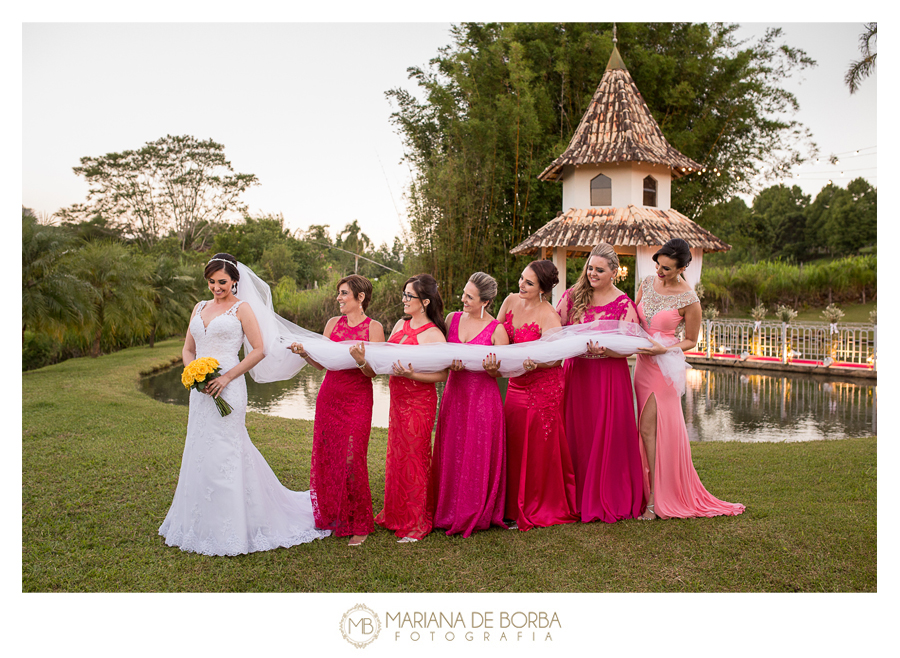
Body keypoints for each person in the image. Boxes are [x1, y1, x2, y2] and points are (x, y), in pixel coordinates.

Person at [159, 254, 330, 555]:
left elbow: (260, 349)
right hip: (200, 390)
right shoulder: (199, 308)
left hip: (229, 384)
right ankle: (200, 521)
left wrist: (225, 378)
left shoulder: (242, 308)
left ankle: (235, 524)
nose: (216, 287)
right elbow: (188, 348)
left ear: (235, 280)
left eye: (222, 282)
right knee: (200, 447)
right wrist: (192, 373)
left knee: (227, 446)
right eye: (211, 282)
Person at [633, 238, 745, 520]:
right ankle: (639, 492)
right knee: (640, 430)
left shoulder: (689, 299)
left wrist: (664, 348)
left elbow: (691, 340)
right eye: (658, 265)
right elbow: (632, 320)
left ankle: (656, 501)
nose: (660, 271)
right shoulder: (646, 283)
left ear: (682, 267)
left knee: (650, 431)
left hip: (663, 368)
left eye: (667, 269)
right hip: (641, 366)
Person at [289, 275, 385, 546]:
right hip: (329, 396)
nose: (339, 298)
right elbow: (321, 364)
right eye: (339, 294)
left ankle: (360, 524)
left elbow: (373, 373)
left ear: (360, 298)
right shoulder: (332, 324)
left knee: (354, 459)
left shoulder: (374, 328)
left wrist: (361, 360)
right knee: (328, 455)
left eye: (344, 294)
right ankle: (332, 515)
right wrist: (305, 354)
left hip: (357, 398)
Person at [556, 243, 646, 523]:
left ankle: (609, 495)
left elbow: (632, 346)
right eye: (590, 268)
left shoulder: (623, 304)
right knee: (578, 433)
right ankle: (575, 497)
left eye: (599, 269)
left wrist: (607, 351)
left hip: (609, 376)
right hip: (578, 372)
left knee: (608, 433)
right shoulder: (572, 296)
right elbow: (555, 329)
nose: (592, 273)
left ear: (614, 272)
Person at [496, 261, 578, 531]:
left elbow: (555, 360)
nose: (521, 284)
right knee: (515, 440)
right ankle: (507, 505)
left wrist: (536, 363)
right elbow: (494, 333)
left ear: (543, 288)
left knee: (538, 446)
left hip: (542, 386)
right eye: (521, 278)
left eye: (529, 283)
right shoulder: (509, 301)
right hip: (516, 384)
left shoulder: (549, 316)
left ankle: (537, 503)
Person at [429, 272, 509, 537]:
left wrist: (493, 369)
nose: (462, 299)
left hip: (483, 400)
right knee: (452, 448)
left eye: (469, 297)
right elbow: (436, 352)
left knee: (476, 452)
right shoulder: (451, 319)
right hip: (455, 395)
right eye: (464, 293)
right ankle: (446, 509)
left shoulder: (497, 329)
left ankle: (473, 509)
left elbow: (503, 371)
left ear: (485, 301)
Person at [375, 274, 448, 543]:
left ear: (425, 302)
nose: (404, 300)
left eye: (409, 296)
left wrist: (412, 376)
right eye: (404, 294)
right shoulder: (399, 325)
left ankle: (415, 522)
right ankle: (395, 514)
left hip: (419, 402)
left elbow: (443, 375)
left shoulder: (434, 335)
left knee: (415, 457)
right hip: (397, 400)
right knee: (396, 455)